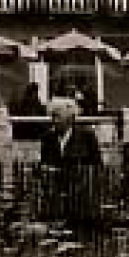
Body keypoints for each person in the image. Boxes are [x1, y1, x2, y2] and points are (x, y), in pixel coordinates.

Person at [38, 97, 104, 227]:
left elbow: (97, 165)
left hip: (82, 195)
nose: (54, 121)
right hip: (57, 195)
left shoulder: (87, 136)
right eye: (52, 116)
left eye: (57, 116)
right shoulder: (48, 138)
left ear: (70, 118)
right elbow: (44, 163)